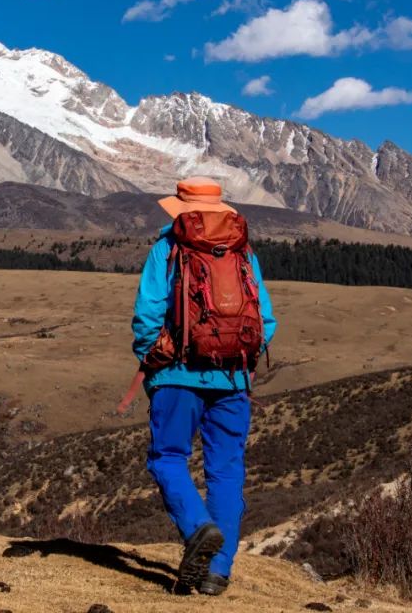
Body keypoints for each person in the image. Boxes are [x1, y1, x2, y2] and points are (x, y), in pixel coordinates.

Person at [130, 177, 277, 596]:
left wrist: (152, 360)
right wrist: (239, 356)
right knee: (227, 473)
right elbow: (265, 320)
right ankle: (218, 571)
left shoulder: (168, 249)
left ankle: (198, 529)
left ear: (180, 210)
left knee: (167, 458)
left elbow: (147, 315)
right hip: (234, 378)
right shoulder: (243, 253)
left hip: (177, 375)